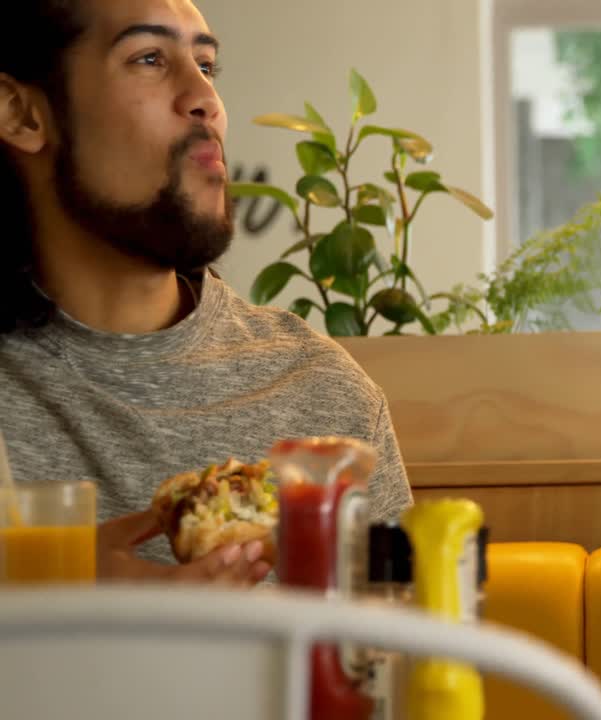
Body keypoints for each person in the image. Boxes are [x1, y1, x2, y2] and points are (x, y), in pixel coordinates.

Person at [0, 0, 413, 585]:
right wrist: (44, 596)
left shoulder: (326, 402)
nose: (207, 101)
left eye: (207, 65)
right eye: (148, 58)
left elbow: (391, 666)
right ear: (22, 113)